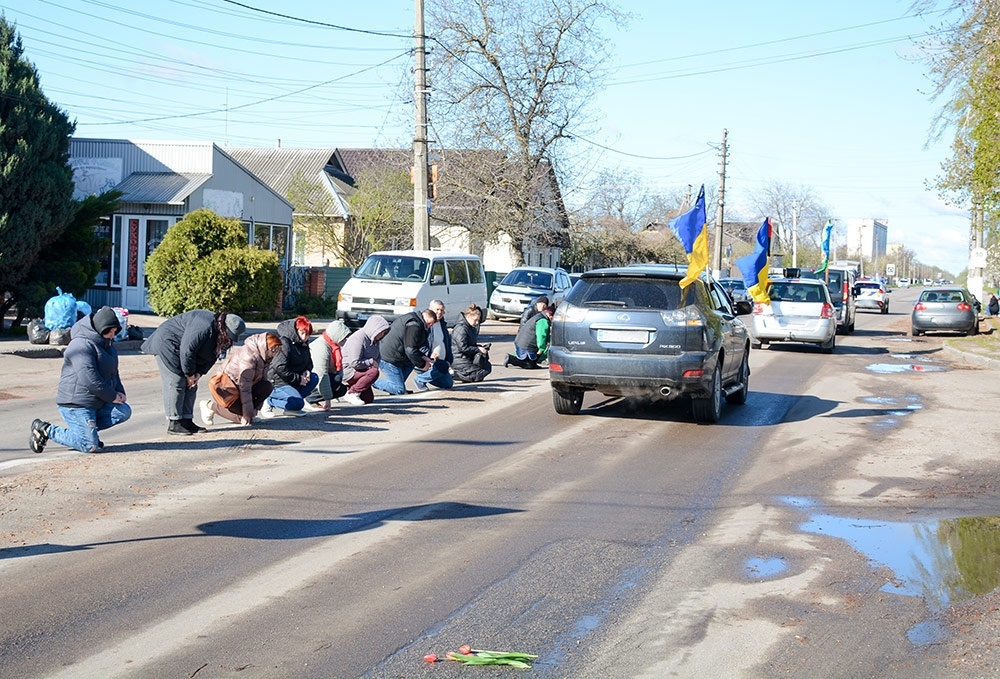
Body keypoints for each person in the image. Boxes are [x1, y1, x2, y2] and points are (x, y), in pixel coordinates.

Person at [30, 306, 131, 454]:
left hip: (96, 401)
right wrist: (112, 396)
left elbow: (113, 373)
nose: (112, 335)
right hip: (76, 404)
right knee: (89, 446)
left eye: (115, 332)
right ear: (100, 328)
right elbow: (90, 379)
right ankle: (45, 429)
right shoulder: (81, 345)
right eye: (109, 331)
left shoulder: (108, 346)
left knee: (123, 411)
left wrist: (119, 392)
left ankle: (85, 433)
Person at [141, 309, 245, 435]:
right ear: (224, 327)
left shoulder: (223, 338)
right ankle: (175, 423)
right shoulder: (204, 326)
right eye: (230, 335)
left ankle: (187, 420)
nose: (230, 339)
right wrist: (189, 374)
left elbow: (212, 356)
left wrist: (198, 373)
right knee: (176, 381)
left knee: (192, 385)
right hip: (167, 344)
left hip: (185, 351)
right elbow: (187, 350)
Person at [200, 332, 281, 427]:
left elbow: (262, 380)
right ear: (267, 348)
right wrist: (247, 414)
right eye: (274, 350)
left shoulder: (265, 356)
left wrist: (254, 411)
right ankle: (209, 406)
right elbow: (245, 388)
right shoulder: (248, 357)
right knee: (242, 418)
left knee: (267, 386)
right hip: (227, 389)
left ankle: (248, 415)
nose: (276, 354)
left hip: (242, 387)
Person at [262, 316, 318, 417]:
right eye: (302, 333)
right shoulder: (284, 343)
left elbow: (309, 362)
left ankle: (291, 406)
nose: (305, 337)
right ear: (296, 331)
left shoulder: (304, 344)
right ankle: (269, 400)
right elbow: (279, 367)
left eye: (308, 334)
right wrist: (298, 379)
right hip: (278, 381)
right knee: (299, 403)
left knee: (314, 378)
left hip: (293, 379)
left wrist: (307, 371)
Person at [373, 309, 438, 395]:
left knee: (412, 362)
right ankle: (369, 380)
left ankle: (395, 386)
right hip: (389, 357)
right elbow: (410, 349)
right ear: (424, 317)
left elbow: (412, 346)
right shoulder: (414, 325)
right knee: (399, 389)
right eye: (428, 323)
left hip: (399, 356)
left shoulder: (417, 321)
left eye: (431, 324)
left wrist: (423, 357)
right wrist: (422, 365)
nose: (429, 326)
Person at [340, 315, 390, 405]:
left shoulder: (375, 340)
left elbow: (378, 356)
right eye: (382, 332)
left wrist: (376, 363)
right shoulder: (358, 338)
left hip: (362, 369)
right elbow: (354, 363)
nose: (383, 335)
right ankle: (352, 392)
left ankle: (348, 388)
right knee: (374, 372)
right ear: (374, 329)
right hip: (349, 370)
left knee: (368, 399)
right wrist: (371, 362)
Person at [304, 320, 351, 411]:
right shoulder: (321, 348)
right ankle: (308, 398)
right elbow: (321, 374)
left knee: (341, 388)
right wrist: (328, 399)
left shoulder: (334, 346)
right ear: (336, 335)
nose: (344, 340)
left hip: (322, 376)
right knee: (335, 381)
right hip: (310, 378)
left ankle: (314, 398)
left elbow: (338, 370)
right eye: (343, 338)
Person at [415, 299, 454, 391]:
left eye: (442, 310)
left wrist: (449, 359)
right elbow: (418, 344)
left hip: (441, 362)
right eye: (437, 309)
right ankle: (420, 379)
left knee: (448, 383)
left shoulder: (442, 324)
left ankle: (427, 376)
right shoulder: (425, 324)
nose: (439, 312)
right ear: (430, 309)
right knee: (442, 367)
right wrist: (429, 354)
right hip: (428, 360)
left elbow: (447, 343)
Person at [451, 304, 492, 383]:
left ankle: (465, 375)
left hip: (466, 357)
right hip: (458, 359)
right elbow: (463, 348)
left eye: (478, 320)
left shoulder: (470, 328)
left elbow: (470, 344)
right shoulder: (461, 328)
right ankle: (455, 374)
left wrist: (481, 348)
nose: (477, 323)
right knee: (478, 375)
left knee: (486, 368)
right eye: (475, 320)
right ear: (468, 317)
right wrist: (477, 349)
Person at [505, 304, 554, 369]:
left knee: (532, 363)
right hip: (526, 347)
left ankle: (533, 363)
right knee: (528, 365)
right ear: (551, 315)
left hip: (520, 343)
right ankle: (511, 359)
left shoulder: (538, 316)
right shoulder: (543, 321)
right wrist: (541, 349)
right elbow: (541, 336)